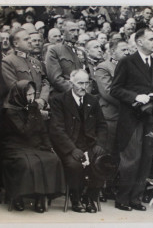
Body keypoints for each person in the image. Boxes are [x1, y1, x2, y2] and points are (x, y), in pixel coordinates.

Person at [110, 28, 153, 211]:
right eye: (151, 39)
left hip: (149, 118)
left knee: (146, 159)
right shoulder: (127, 62)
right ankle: (122, 198)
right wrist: (135, 97)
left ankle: (136, 198)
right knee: (131, 159)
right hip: (132, 119)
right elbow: (114, 89)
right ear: (140, 42)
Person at [1, 80, 65, 213]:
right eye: (28, 94)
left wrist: (49, 146)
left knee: (53, 160)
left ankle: (40, 196)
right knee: (27, 163)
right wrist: (31, 111)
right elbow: (24, 131)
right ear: (20, 94)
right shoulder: (10, 110)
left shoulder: (32, 106)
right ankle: (17, 195)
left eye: (33, 94)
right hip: (14, 146)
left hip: (34, 145)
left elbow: (42, 130)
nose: (32, 98)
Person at [49, 69, 108, 213]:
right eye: (79, 83)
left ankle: (89, 197)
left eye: (86, 83)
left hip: (89, 145)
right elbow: (57, 129)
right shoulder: (59, 100)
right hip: (69, 146)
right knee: (74, 165)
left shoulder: (92, 100)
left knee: (102, 162)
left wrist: (99, 144)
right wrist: (71, 149)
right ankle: (75, 198)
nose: (83, 87)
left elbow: (102, 125)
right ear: (71, 83)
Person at [1, 28, 50, 112]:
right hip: (20, 110)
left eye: (29, 38)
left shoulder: (35, 61)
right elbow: (14, 88)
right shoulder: (7, 62)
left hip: (40, 107)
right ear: (16, 44)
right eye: (26, 39)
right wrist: (34, 104)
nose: (30, 41)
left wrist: (43, 99)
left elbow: (44, 82)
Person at [45, 20, 82, 95]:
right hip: (64, 95)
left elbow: (88, 74)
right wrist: (75, 91)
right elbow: (55, 79)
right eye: (72, 30)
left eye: (78, 30)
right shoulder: (54, 50)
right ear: (63, 33)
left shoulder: (81, 52)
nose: (76, 34)